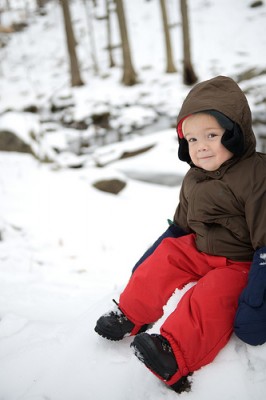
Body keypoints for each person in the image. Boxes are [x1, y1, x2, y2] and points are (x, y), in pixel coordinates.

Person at [94, 75, 266, 393]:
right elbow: (180, 226)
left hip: (238, 262)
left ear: (235, 134)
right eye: (192, 140)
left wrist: (258, 299)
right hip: (199, 249)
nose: (200, 148)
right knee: (169, 257)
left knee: (214, 294)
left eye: (211, 135)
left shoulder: (257, 176)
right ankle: (129, 314)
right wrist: (152, 257)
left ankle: (174, 352)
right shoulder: (193, 178)